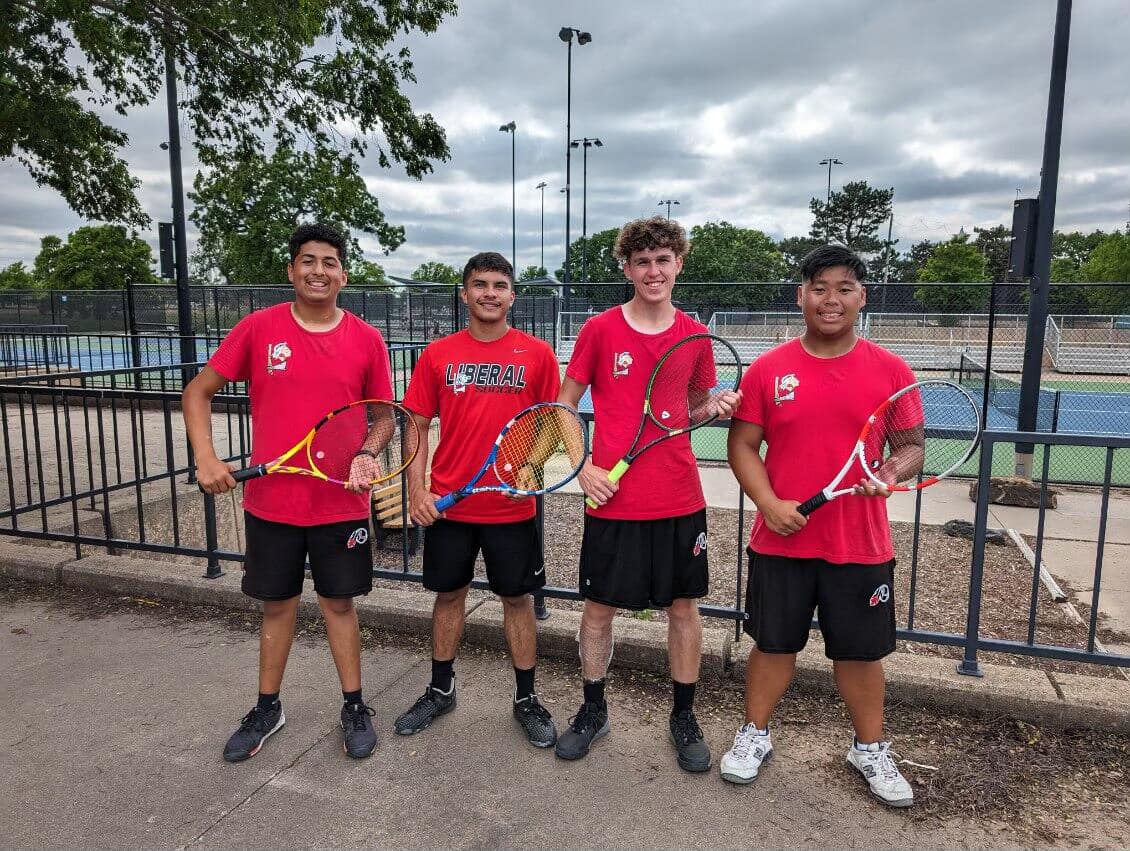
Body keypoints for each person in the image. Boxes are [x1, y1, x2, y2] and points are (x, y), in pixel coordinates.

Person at [183, 223, 393, 762]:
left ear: (343, 275)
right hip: (272, 504)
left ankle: (354, 706)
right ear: (292, 270)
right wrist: (206, 458)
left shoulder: (367, 339)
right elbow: (197, 392)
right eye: (308, 261)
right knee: (277, 607)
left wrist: (367, 453)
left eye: (329, 262)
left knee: (339, 604)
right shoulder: (258, 328)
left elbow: (384, 417)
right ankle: (267, 708)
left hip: (339, 504)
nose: (318, 271)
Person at [721, 244, 916, 807]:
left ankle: (869, 749)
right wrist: (768, 503)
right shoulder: (768, 368)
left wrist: (888, 473)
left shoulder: (892, 370)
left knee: (860, 654)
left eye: (844, 289)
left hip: (860, 543)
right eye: (820, 288)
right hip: (780, 542)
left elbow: (910, 447)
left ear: (862, 297)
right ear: (801, 296)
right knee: (773, 645)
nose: (832, 300)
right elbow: (742, 445)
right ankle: (755, 735)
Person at [554, 216, 740, 772]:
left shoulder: (695, 336)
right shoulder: (599, 330)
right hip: (612, 499)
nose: (653, 271)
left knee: (683, 608)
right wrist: (583, 466)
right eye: (642, 262)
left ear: (678, 264)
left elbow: (692, 410)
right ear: (628, 268)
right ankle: (593, 710)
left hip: (679, 498)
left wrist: (715, 407)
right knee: (598, 609)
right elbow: (564, 405)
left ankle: (683, 715)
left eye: (662, 260)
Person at [395, 252, 561, 747]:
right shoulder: (438, 355)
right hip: (450, 505)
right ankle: (440, 690)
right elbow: (415, 424)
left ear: (513, 296)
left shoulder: (537, 354)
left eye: (499, 285)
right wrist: (417, 489)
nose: (490, 293)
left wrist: (531, 465)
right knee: (449, 596)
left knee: (517, 599)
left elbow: (553, 422)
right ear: (465, 293)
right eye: (480, 284)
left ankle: (526, 699)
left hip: (511, 507)